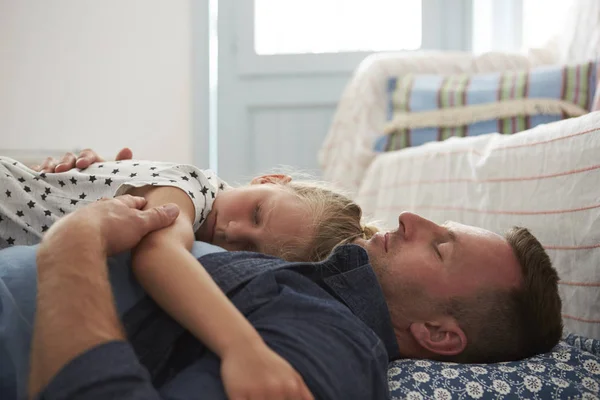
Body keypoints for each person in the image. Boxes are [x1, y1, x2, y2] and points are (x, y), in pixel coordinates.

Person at [1, 150, 563, 399]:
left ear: (440, 334)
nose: (412, 217)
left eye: (442, 248)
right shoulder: (309, 287)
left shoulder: (334, 348)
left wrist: (70, 246)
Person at [0, 149, 374, 400]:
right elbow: (157, 255)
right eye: (257, 213)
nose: (233, 232)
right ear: (269, 180)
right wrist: (242, 348)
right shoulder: (191, 189)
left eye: (252, 251)